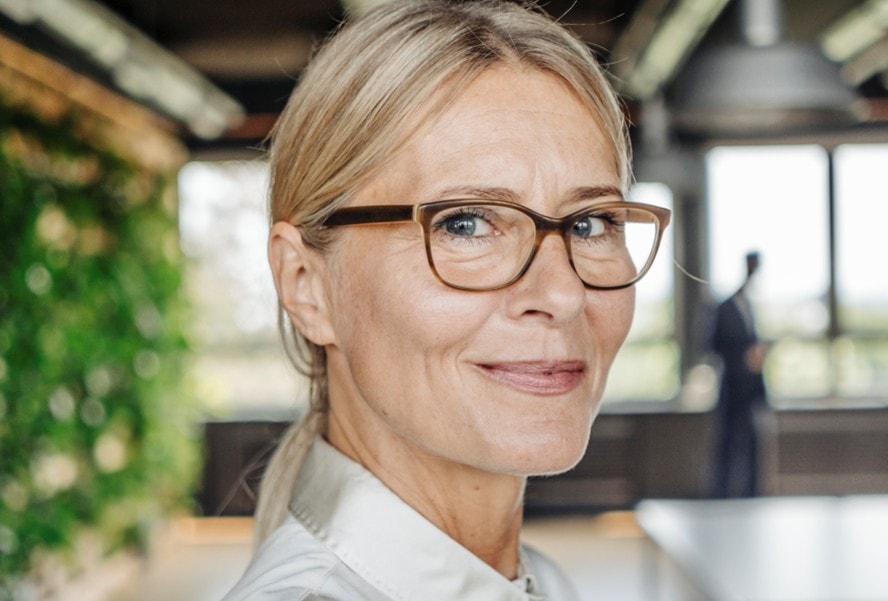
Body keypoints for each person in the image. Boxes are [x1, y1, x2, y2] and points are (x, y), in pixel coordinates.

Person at [222, 2, 671, 599]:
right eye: (465, 224)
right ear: (306, 285)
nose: (562, 292)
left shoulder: (545, 584)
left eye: (590, 225)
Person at [708, 251, 768, 498]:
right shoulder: (726, 307)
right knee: (727, 446)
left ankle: (752, 495)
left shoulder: (749, 307)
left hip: (751, 389)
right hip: (732, 388)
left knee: (753, 446)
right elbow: (711, 344)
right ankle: (720, 497)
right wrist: (743, 358)